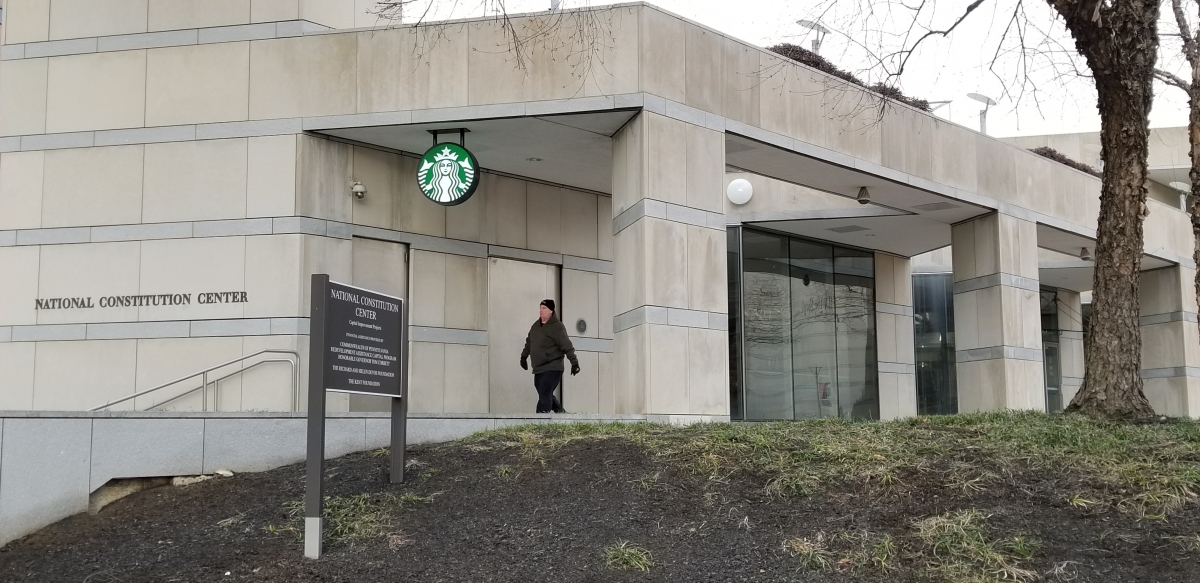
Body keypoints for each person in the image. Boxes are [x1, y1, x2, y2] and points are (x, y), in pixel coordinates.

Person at [520, 299, 580, 413]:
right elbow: (529, 342)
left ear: (551, 311)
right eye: (540, 308)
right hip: (538, 368)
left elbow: (567, 345)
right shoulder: (535, 326)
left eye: (544, 308)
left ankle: (541, 419)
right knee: (545, 393)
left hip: (553, 366)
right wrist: (523, 357)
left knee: (545, 393)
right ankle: (560, 411)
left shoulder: (557, 327)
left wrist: (574, 363)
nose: (541, 311)